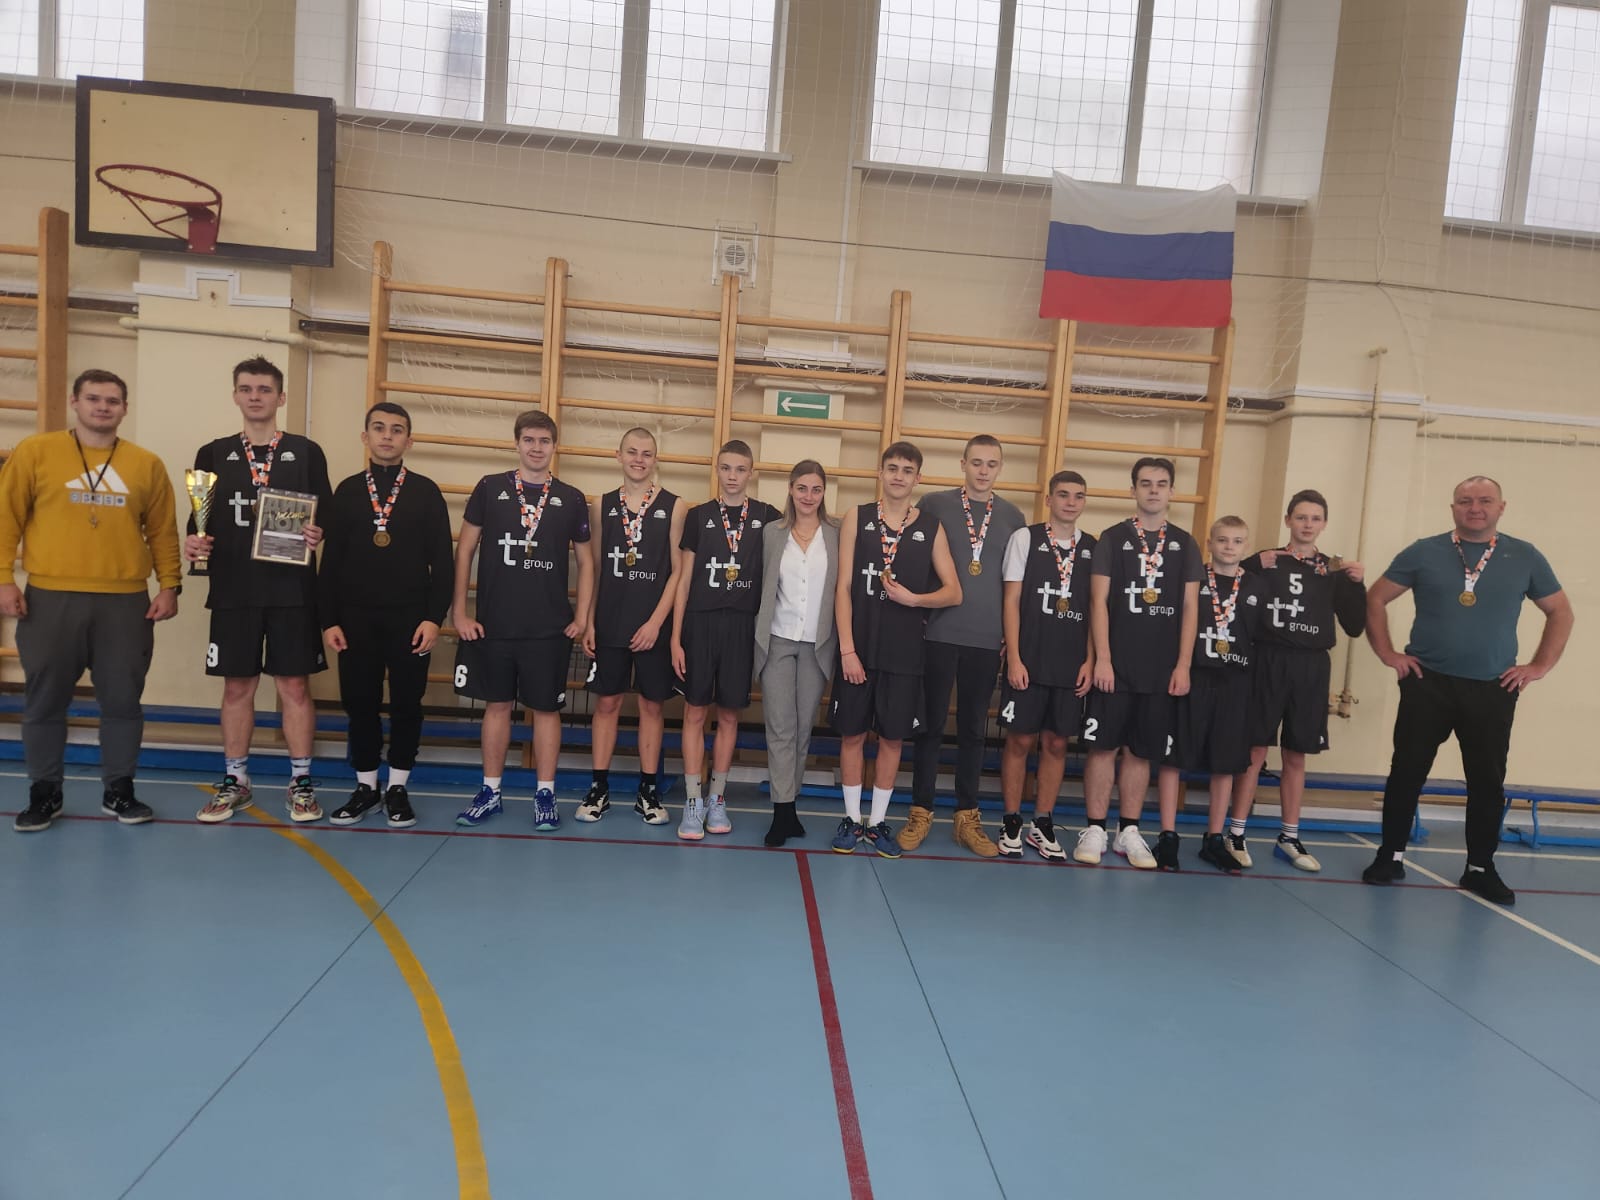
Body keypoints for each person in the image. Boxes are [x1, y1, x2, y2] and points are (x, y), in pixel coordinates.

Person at [1362, 476, 1572, 905]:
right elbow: (1376, 598)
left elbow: (1561, 612)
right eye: (1465, 501)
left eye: (1484, 500)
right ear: (1453, 507)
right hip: (1428, 683)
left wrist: (1539, 666)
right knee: (1407, 772)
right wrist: (1387, 653)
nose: (1475, 508)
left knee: (1487, 782)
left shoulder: (1524, 555)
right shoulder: (1424, 551)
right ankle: (1390, 856)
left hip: (1493, 688)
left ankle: (1480, 868)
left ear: (1501, 507)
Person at [2, 369, 181, 832]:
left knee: (123, 701)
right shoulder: (36, 452)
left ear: (124, 409)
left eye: (112, 401)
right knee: (44, 700)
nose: (103, 407)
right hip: (50, 597)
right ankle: (45, 791)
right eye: (94, 398)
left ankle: (119, 789)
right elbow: (6, 518)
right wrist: (4, 580)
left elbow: (163, 530)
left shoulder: (145, 464)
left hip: (125, 602)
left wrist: (169, 584)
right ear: (74, 402)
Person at [185, 357, 332, 824]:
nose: (255, 396)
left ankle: (301, 782)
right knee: (237, 686)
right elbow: (198, 519)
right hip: (234, 590)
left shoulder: (306, 452)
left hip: (292, 590)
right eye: (246, 389)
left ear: (280, 397)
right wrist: (194, 541)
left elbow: (326, 514)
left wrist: (318, 532)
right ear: (235, 395)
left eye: (265, 389)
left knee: (294, 686)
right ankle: (236, 780)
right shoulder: (212, 453)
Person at [452, 410, 592, 832]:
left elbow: (587, 562)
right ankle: (490, 791)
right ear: (516, 443)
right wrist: (459, 611)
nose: (536, 447)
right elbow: (465, 549)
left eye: (544, 440)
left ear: (555, 446)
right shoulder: (490, 487)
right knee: (497, 706)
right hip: (495, 623)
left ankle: (545, 794)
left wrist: (582, 616)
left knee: (546, 710)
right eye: (529, 439)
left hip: (548, 628)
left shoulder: (570, 497)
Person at [318, 402, 453, 829]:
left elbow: (443, 563)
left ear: (409, 441)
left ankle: (397, 787)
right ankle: (365, 786)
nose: (387, 436)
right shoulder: (347, 491)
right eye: (379, 428)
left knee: (407, 704)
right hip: (355, 619)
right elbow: (331, 562)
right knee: (359, 703)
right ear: (365, 437)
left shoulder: (426, 492)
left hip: (411, 619)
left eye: (397, 430)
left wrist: (433, 618)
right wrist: (329, 619)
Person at [830, 441, 962, 857]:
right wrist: (847, 649)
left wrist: (915, 599)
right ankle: (852, 819)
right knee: (852, 734)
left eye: (907, 470)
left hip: (904, 653)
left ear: (918, 478)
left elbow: (954, 592)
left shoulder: (931, 527)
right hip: (859, 647)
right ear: (881, 472)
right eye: (892, 468)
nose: (899, 476)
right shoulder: (857, 516)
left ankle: (878, 822)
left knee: (891, 738)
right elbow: (843, 587)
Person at [1227, 490, 1366, 871]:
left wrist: (1356, 585)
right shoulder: (1267, 561)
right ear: (1288, 520)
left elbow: (1355, 626)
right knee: (1255, 750)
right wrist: (1251, 563)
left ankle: (1289, 836)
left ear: (1324, 524)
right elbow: (1225, 589)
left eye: (1315, 518)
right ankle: (1235, 832)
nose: (1307, 524)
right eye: (1301, 517)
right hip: (1267, 660)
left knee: (1296, 753)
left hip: (1311, 666)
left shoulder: (1333, 570)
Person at [1075, 456, 1201, 871]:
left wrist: (1183, 665)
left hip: (1160, 668)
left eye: (1161, 484)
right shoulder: (1112, 539)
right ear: (1133, 490)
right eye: (1145, 483)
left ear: (1172, 491)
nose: (1153, 490)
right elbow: (1097, 601)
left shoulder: (1185, 543)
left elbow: (1190, 608)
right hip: (1115, 665)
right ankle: (1095, 828)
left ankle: (1128, 830)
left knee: (1141, 751)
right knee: (1102, 747)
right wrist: (1103, 659)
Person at [905, 435, 1025, 857]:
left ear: (1000, 467)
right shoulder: (934, 505)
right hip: (938, 633)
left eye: (991, 463)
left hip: (986, 639)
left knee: (975, 731)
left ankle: (967, 818)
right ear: (963, 464)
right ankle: (920, 811)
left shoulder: (1012, 517)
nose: (983, 471)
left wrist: (1010, 635)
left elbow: (1016, 585)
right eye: (976, 462)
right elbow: (913, 559)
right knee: (930, 728)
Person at [670, 440, 780, 840]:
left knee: (730, 715)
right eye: (726, 468)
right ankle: (692, 801)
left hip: (742, 627)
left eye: (740, 469)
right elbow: (683, 581)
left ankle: (717, 798)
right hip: (700, 624)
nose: (732, 476)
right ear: (717, 470)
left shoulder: (767, 517)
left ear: (751, 472)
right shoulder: (699, 516)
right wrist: (675, 638)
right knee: (695, 712)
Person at [579, 428, 685, 825]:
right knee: (606, 704)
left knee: (651, 706)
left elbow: (678, 572)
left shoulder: (675, 506)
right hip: (610, 622)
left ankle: (648, 791)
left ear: (655, 459)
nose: (639, 459)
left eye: (647, 453)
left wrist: (657, 623)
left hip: (652, 626)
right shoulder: (601, 505)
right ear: (619, 455)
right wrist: (590, 620)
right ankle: (599, 788)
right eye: (632, 452)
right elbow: (595, 568)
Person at [996, 470, 1096, 861]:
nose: (1070, 502)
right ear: (1049, 500)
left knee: (1056, 743)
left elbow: (1097, 609)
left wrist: (1091, 659)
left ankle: (1043, 822)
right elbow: (1010, 600)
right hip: (1030, 659)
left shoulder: (1093, 548)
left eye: (1078, 496)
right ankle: (1011, 820)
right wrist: (1015, 657)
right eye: (1063, 495)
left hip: (1071, 663)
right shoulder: (1026, 539)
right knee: (1020, 740)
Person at [754, 461, 839, 847]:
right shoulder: (772, 533)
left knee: (803, 728)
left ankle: (791, 805)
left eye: (816, 489)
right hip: (777, 640)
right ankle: (781, 811)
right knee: (780, 727)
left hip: (817, 645)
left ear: (823, 493)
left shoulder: (836, 534)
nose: (808, 496)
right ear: (790, 489)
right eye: (802, 488)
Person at [1182, 516, 1267, 873]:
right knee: (1175, 758)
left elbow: (1262, 638)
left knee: (1225, 763)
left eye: (1237, 541)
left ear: (1246, 546)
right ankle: (1168, 835)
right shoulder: (1193, 579)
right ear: (1209, 543)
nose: (1229, 547)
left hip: (1236, 683)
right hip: (1195, 677)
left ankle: (1214, 838)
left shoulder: (1257, 586)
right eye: (1222, 540)